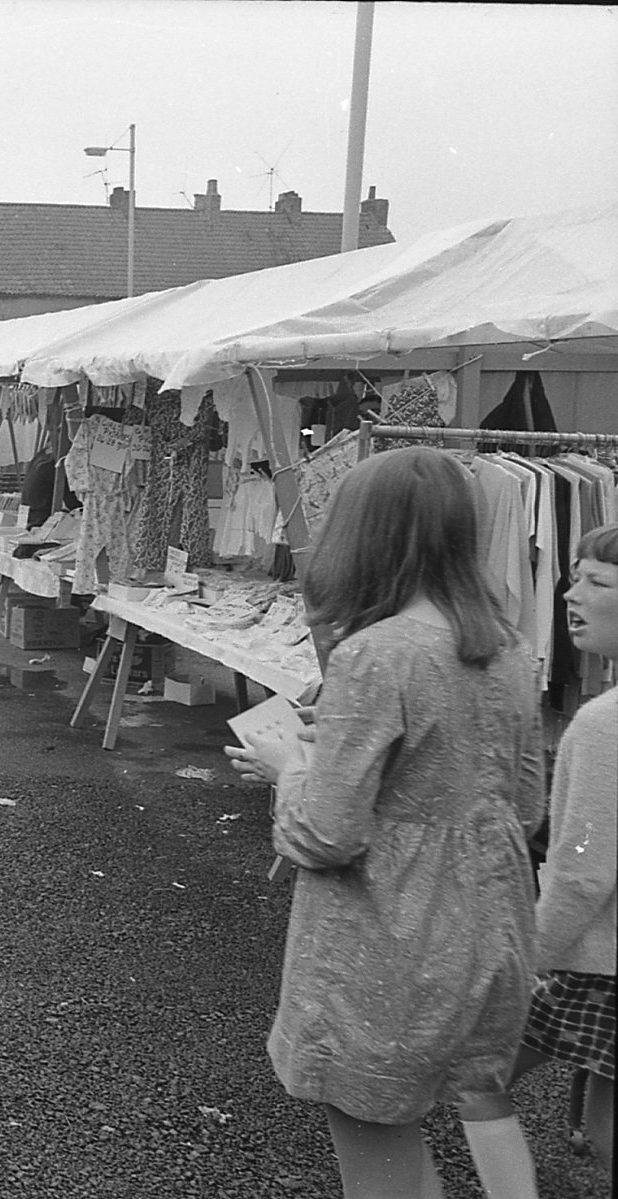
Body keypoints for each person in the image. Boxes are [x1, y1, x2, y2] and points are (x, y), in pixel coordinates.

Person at [226, 445, 546, 1199]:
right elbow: (522, 803)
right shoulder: (505, 648)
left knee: (382, 1165)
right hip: (489, 926)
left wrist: (291, 767)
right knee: (459, 1108)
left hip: (386, 938)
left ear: (361, 534)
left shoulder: (374, 654)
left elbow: (325, 833)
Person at [465, 521, 617, 1180]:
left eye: (596, 581)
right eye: (574, 574)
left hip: (592, 964)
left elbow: (583, 872)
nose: (569, 593)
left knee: (474, 1070)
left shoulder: (603, 725)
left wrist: (530, 956)